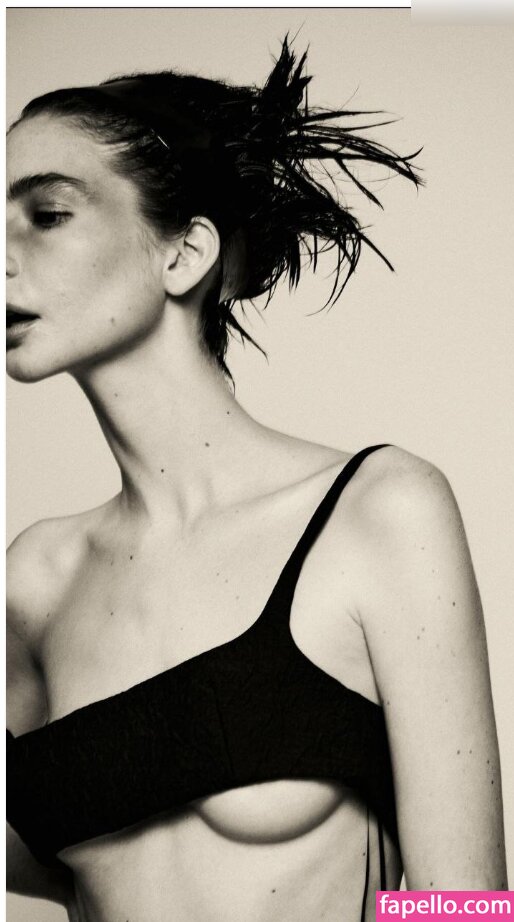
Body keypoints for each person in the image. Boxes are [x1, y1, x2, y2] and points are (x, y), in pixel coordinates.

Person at [6, 37, 507, 922]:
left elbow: (462, 901)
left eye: (46, 215)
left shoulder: (377, 512)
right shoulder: (34, 579)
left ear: (184, 254)